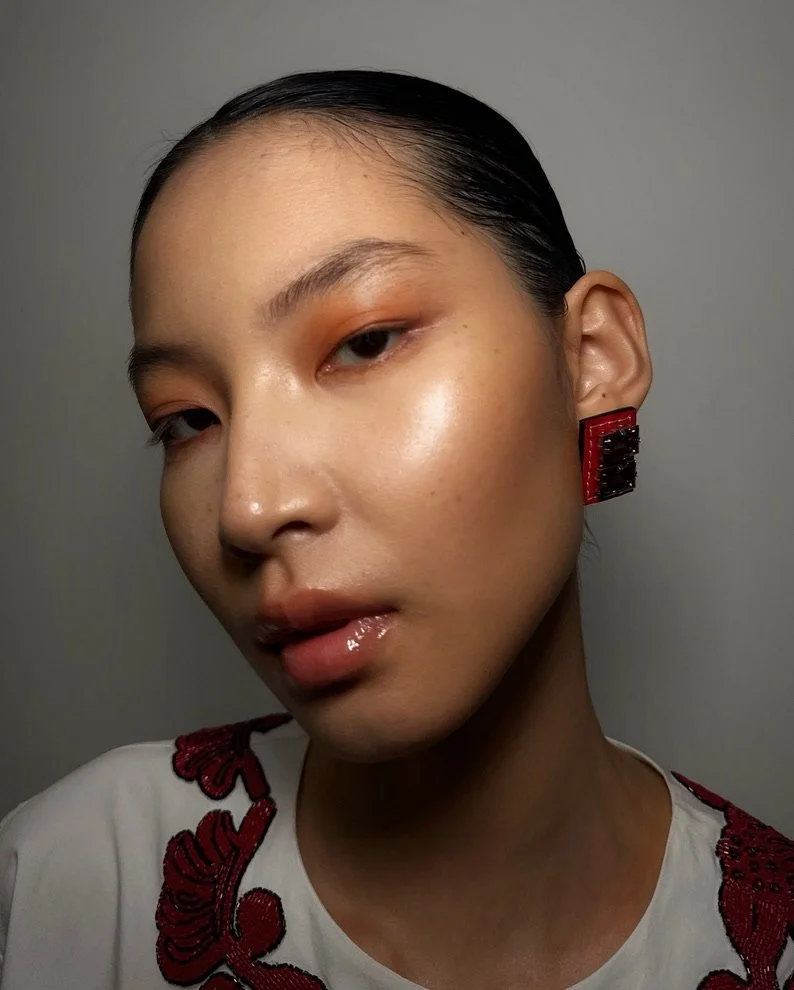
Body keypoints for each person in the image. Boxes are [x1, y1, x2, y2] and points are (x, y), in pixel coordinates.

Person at [1, 68, 792, 990]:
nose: (247, 507)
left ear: (591, 357)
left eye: (365, 341)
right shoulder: (63, 887)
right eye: (187, 419)